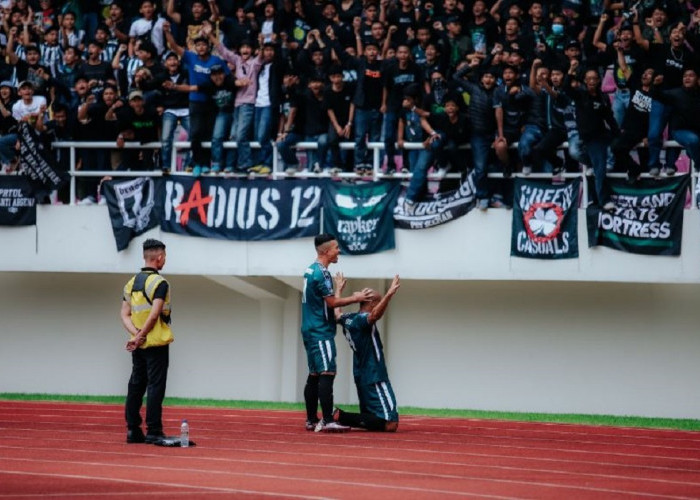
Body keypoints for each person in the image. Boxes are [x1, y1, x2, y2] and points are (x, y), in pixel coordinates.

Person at [301, 233, 372, 432]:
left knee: (315, 374)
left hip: (309, 328)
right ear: (326, 251)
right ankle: (328, 419)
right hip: (320, 330)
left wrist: (338, 290)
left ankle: (311, 419)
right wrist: (355, 297)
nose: (339, 251)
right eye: (336, 248)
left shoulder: (310, 269)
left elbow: (325, 302)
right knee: (327, 372)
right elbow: (331, 304)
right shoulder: (322, 273)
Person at [121, 238, 173, 444]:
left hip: (138, 343)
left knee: (136, 384)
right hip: (156, 342)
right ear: (159, 257)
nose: (165, 261)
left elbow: (124, 314)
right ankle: (154, 429)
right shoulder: (160, 283)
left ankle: (133, 430)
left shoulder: (131, 283)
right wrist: (142, 336)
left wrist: (135, 336)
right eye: (165, 257)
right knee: (155, 385)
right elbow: (154, 315)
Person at [333, 274, 401, 432]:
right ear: (372, 303)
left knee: (371, 417)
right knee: (390, 423)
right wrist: (389, 295)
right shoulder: (362, 319)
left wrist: (338, 290)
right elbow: (374, 315)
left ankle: (340, 417)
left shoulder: (349, 318)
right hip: (374, 373)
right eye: (378, 301)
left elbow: (337, 314)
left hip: (361, 373)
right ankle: (339, 416)